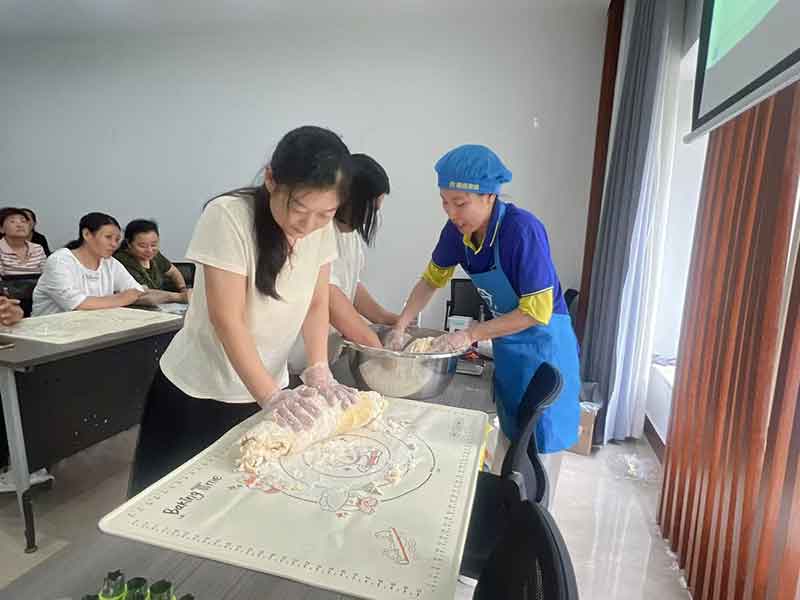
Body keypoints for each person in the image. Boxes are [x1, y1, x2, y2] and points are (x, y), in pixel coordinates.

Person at [128, 126, 360, 495]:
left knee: (244, 500)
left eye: (325, 213)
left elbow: (317, 303)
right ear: (271, 179)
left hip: (269, 392)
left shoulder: (320, 228)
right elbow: (227, 318)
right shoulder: (228, 216)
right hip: (201, 393)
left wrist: (318, 367)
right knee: (171, 502)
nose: (308, 224)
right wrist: (268, 395)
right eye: (299, 208)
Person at [388, 144, 580, 496]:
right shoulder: (455, 233)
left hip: (545, 346)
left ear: (489, 196)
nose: (451, 212)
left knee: (539, 453)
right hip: (508, 342)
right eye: (444, 202)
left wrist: (471, 334)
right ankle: (504, 508)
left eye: (460, 203)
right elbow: (431, 280)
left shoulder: (522, 231)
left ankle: (533, 523)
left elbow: (536, 311)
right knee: (510, 441)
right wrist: (401, 325)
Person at [288, 153, 399, 374]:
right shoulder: (316, 231)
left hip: (321, 363)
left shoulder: (351, 236)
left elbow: (350, 286)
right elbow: (330, 297)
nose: (370, 218)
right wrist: (381, 353)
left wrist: (386, 318)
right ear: (349, 198)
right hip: (294, 362)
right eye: (370, 209)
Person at [31, 213, 175, 316]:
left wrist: (178, 297)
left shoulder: (110, 263)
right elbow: (78, 304)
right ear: (87, 234)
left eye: (117, 239)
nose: (114, 244)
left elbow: (137, 292)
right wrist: (122, 298)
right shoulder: (60, 261)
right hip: (49, 334)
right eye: (108, 237)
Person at [115, 219, 190, 303]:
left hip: (161, 303)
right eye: (142, 246)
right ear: (129, 243)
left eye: (154, 245)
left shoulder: (155, 256)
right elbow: (144, 293)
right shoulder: (121, 261)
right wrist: (179, 297)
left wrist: (183, 289)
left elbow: (173, 271)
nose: (149, 250)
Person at [0, 207, 47, 277]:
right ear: (1, 228)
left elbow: (47, 275)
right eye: (12, 221)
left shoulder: (38, 248)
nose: (20, 225)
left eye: (23, 221)